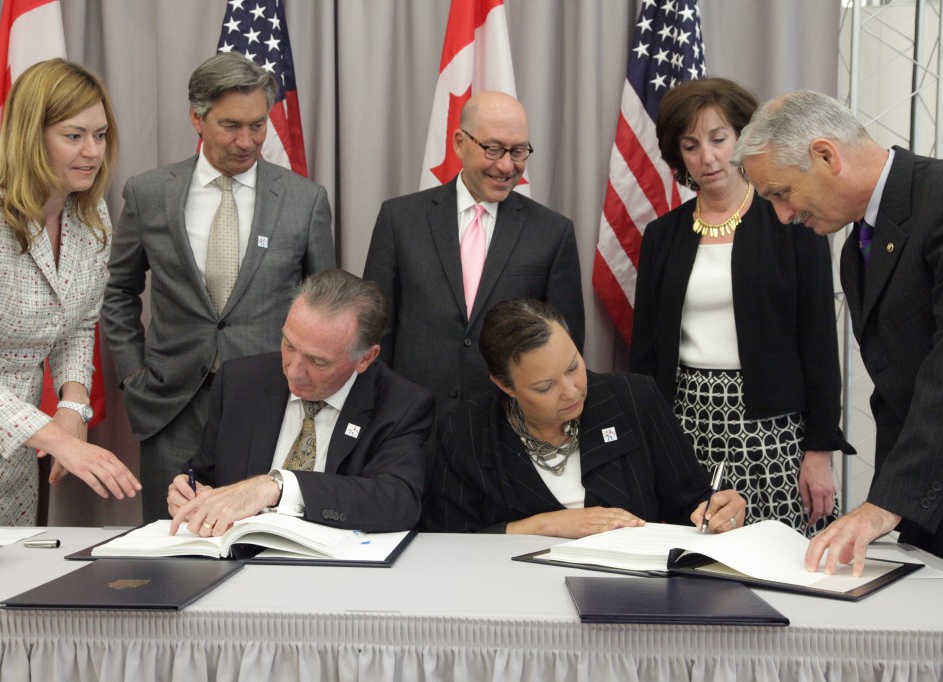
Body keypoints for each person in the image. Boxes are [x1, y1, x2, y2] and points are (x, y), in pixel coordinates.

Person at [103, 52, 335, 522]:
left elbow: (325, 305)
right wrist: (133, 376)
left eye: (257, 124)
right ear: (197, 117)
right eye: (231, 125)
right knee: (174, 547)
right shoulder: (149, 194)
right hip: (173, 408)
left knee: (266, 546)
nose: (247, 141)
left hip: (271, 405)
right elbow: (118, 292)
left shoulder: (304, 200)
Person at [0, 59, 141, 525]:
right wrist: (57, 438)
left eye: (100, 135)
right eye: (73, 135)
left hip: (17, 454)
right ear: (31, 136)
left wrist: (72, 408)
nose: (92, 151)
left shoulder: (90, 215)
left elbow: (78, 323)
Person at [629, 78, 852, 538]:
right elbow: (645, 354)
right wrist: (647, 443)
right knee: (688, 566)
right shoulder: (662, 236)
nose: (707, 158)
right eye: (691, 146)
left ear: (743, 139)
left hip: (772, 433)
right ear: (679, 156)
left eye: (718, 139)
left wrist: (819, 452)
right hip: (684, 426)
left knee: (776, 565)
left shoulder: (793, 221)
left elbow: (819, 347)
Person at [733, 89, 943, 573]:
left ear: (826, 155)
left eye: (781, 194)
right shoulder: (855, 252)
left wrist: (888, 503)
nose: (783, 216)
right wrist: (897, 516)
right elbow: (897, 393)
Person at [423, 299, 745, 536]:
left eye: (573, 367)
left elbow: (691, 503)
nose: (571, 391)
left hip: (629, 598)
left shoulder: (634, 398)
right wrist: (543, 525)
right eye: (545, 386)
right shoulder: (464, 431)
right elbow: (450, 542)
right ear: (504, 385)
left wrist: (719, 511)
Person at [363, 91, 584, 420]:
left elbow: (566, 345)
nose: (507, 165)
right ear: (459, 143)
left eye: (519, 151)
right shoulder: (400, 219)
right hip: (412, 422)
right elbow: (375, 332)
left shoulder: (552, 232)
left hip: (507, 427)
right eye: (493, 149)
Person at [167, 269, 434, 536]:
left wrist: (277, 486)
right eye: (289, 345)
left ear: (365, 358)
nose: (294, 371)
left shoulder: (401, 405)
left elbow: (397, 502)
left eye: (318, 361)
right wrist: (190, 492)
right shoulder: (240, 382)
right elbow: (205, 474)